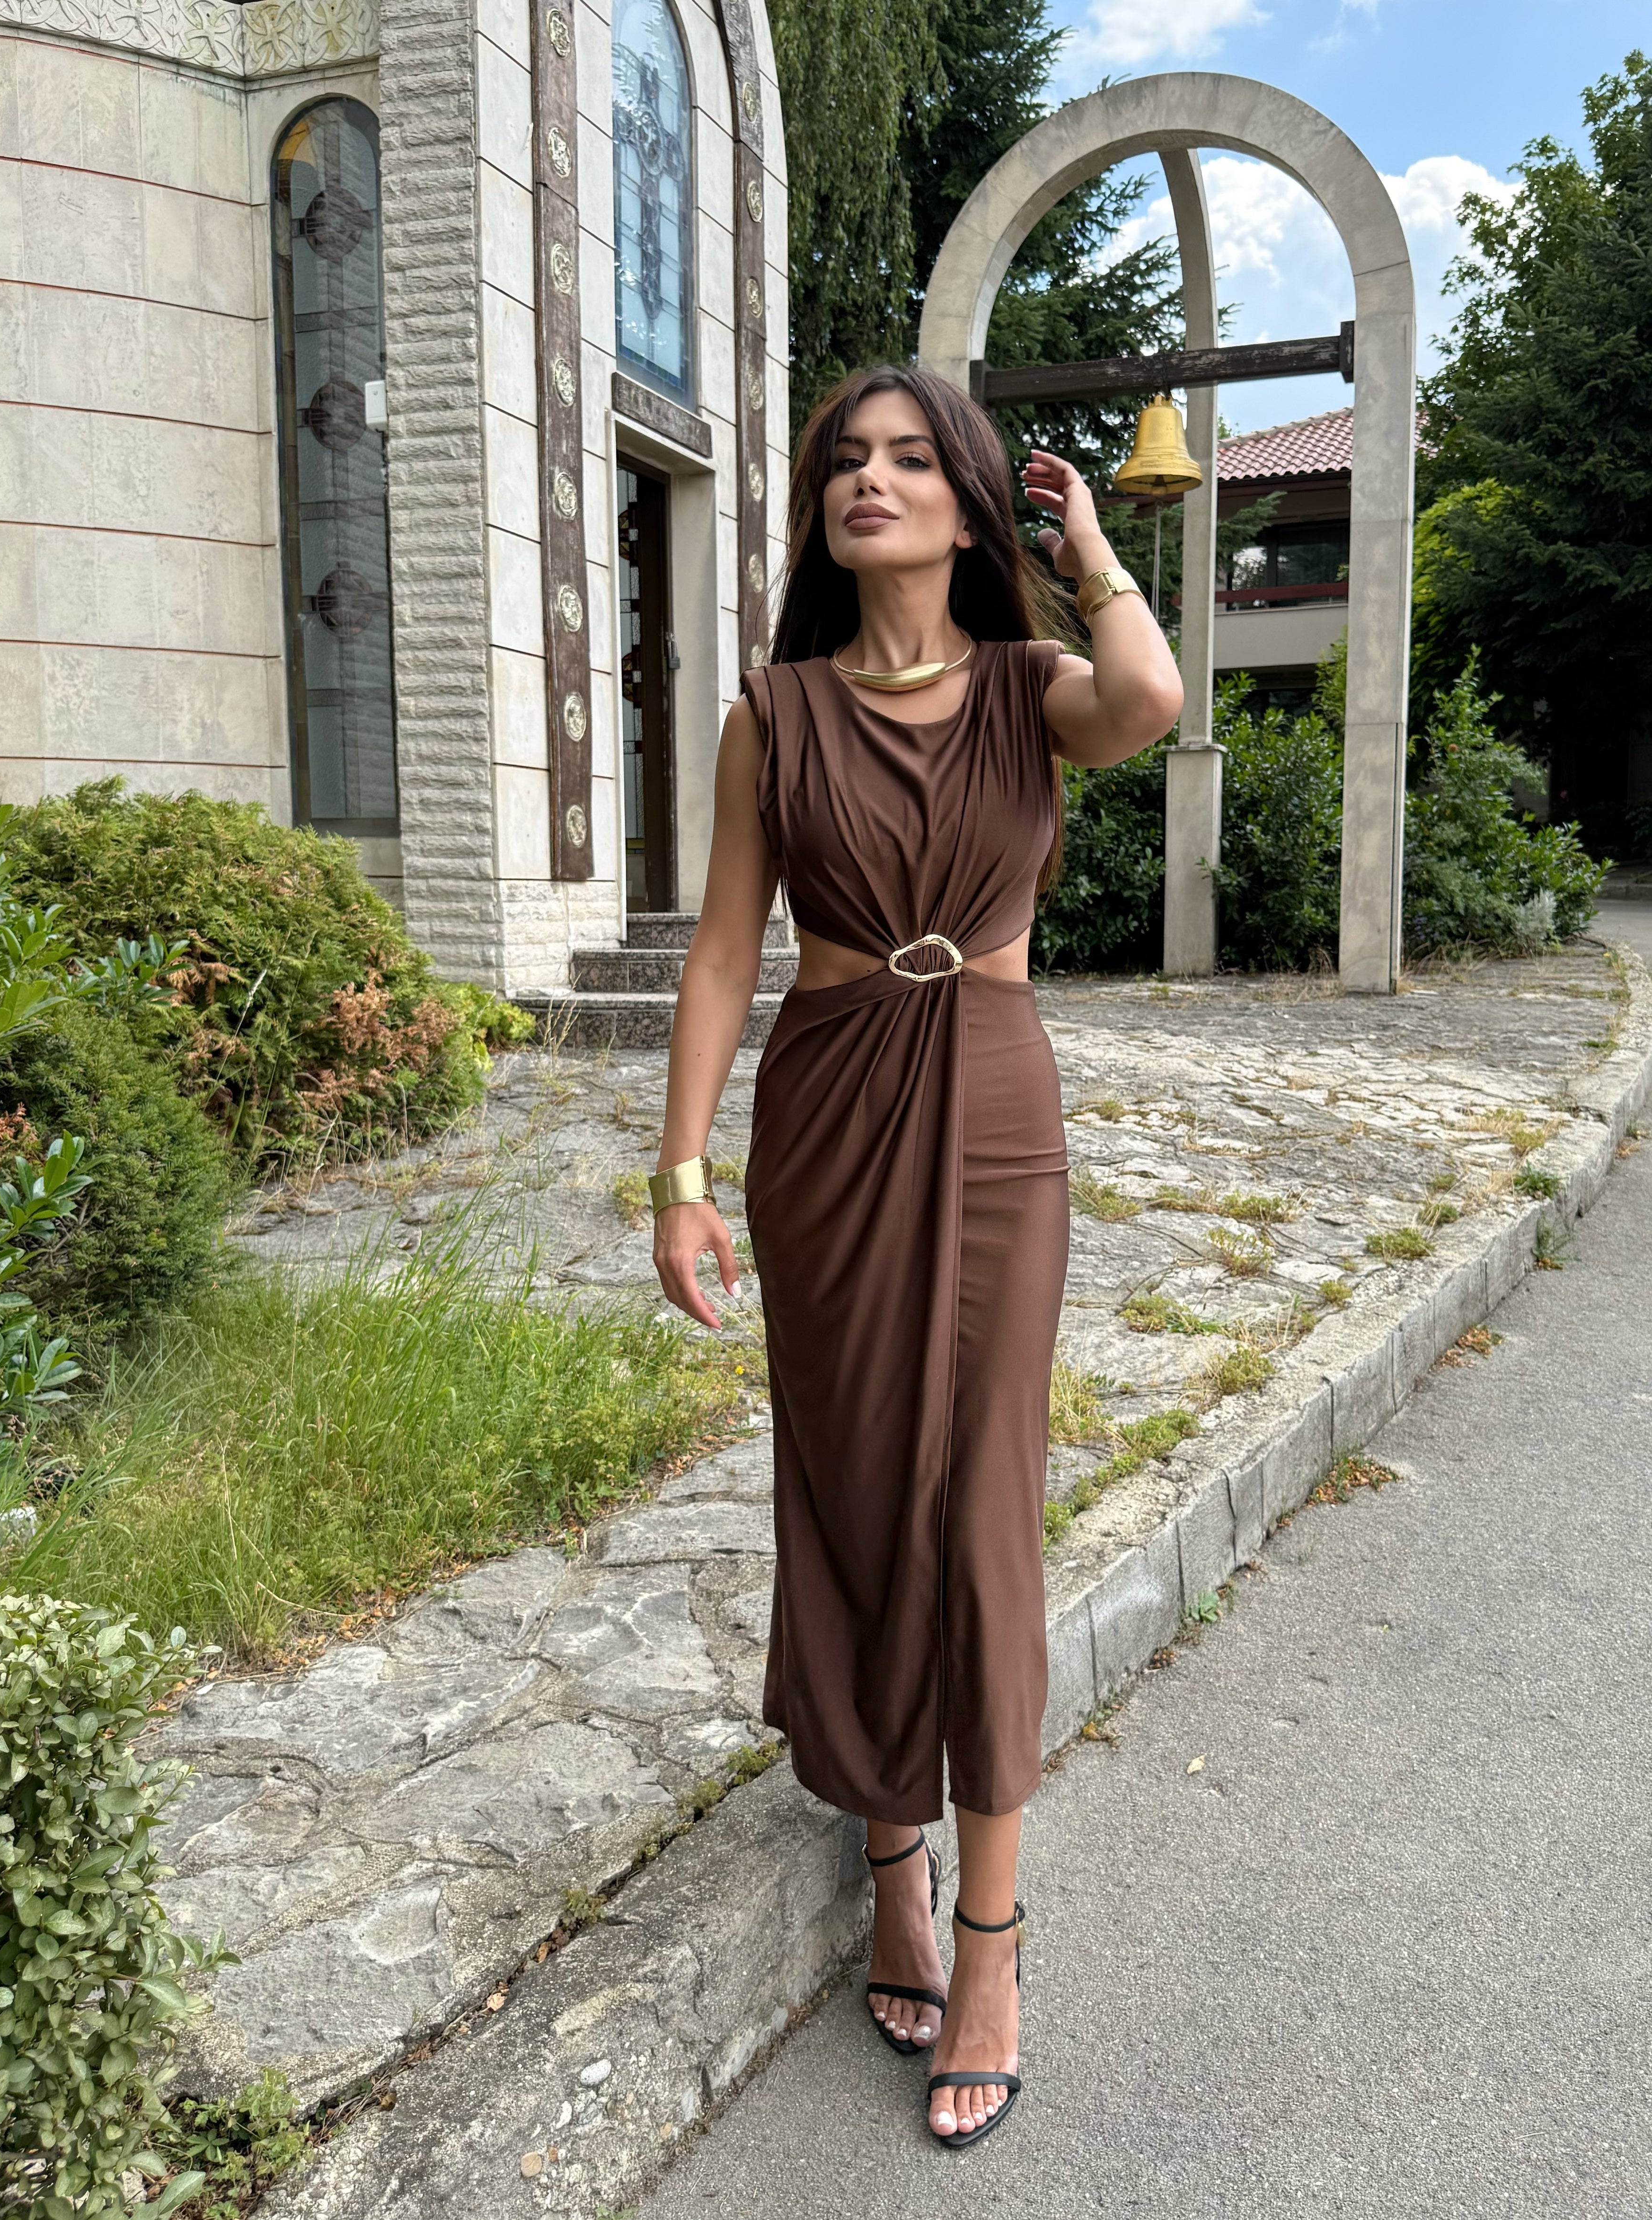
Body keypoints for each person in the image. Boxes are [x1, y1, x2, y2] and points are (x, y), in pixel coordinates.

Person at [649, 363, 1182, 2147]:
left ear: (964, 504)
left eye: (906, 459)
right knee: (860, 1480)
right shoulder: (775, 714)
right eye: (844, 462)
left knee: (983, 1502)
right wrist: (680, 1173)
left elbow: (1152, 697)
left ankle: (994, 1938)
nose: (867, 481)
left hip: (998, 1105)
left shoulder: (1033, 689)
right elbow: (722, 951)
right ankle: (893, 1861)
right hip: (826, 1110)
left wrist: (1088, 544)